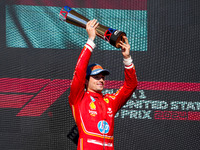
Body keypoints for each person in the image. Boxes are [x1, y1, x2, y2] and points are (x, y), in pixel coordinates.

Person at [68, 19, 137, 150]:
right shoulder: (78, 99)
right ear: (86, 81)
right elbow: (79, 72)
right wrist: (90, 40)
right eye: (96, 77)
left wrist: (127, 58)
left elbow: (130, 86)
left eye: (103, 77)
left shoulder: (110, 101)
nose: (101, 80)